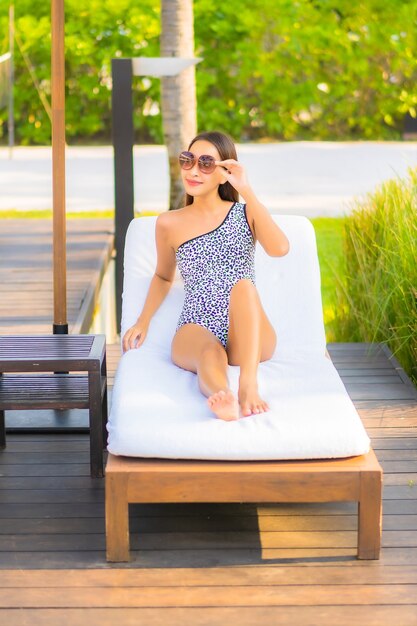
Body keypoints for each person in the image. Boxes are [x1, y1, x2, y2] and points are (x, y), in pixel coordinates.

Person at [122, 131, 290, 421]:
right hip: (197, 323)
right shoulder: (169, 223)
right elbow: (163, 277)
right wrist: (143, 319)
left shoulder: (246, 213)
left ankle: (248, 385)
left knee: (244, 286)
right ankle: (223, 397)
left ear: (225, 173)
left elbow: (280, 248)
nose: (194, 171)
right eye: (188, 161)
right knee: (209, 353)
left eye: (206, 163)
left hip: (247, 328)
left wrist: (247, 191)